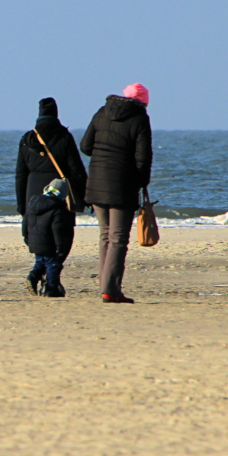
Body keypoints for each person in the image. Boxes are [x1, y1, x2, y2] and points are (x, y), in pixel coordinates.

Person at [80, 83, 152, 304]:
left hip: (96, 180)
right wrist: (141, 183)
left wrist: (103, 157)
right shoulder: (139, 118)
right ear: (143, 101)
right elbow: (143, 157)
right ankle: (110, 290)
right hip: (122, 184)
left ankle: (105, 285)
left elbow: (85, 146)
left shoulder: (102, 112)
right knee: (118, 238)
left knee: (105, 235)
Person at [15, 97, 88, 217]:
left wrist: (21, 205)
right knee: (60, 231)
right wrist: (85, 197)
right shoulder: (64, 137)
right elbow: (77, 170)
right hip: (60, 192)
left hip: (33, 194)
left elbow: (20, 176)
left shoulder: (27, 139)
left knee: (35, 232)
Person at [23, 179, 75, 298]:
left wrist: (25, 236)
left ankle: (32, 278)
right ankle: (52, 289)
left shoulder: (33, 203)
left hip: (34, 241)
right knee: (52, 265)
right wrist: (60, 245)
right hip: (49, 243)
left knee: (40, 262)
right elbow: (57, 229)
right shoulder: (57, 208)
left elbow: (25, 221)